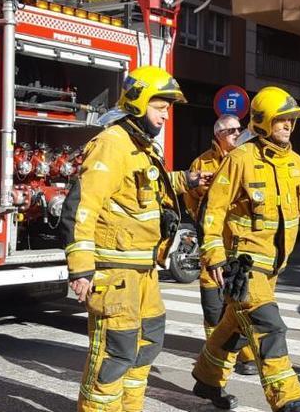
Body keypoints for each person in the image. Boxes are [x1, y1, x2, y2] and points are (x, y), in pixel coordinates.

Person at [60, 65, 211, 412]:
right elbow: (82, 205)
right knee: (115, 353)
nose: (166, 118)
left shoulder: (141, 147)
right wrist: (81, 268)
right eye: (161, 109)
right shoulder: (112, 144)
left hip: (143, 270)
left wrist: (185, 181)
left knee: (148, 342)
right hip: (115, 271)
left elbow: (145, 188)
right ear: (140, 103)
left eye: (168, 110)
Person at [191, 86, 300, 412]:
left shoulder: (295, 163)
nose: (288, 125)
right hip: (243, 268)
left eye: (291, 119)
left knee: (232, 327)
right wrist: (214, 254)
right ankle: (288, 399)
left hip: (273, 269)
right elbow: (212, 212)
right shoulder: (239, 159)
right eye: (280, 119)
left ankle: (206, 378)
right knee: (268, 327)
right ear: (262, 122)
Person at [184, 114, 259, 376]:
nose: (238, 134)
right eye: (232, 131)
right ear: (218, 135)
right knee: (213, 306)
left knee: (240, 301)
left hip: (239, 243)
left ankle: (247, 356)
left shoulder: (247, 157)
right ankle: (213, 354)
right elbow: (191, 199)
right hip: (213, 243)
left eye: (240, 129)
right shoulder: (202, 162)